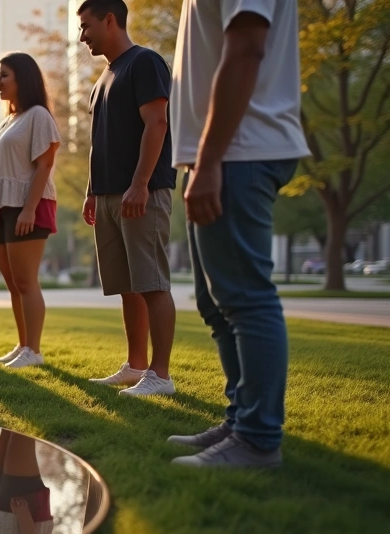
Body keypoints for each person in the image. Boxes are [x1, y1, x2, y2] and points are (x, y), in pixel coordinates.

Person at [166, 0, 310, 468]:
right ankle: (240, 419)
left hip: (237, 152)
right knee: (216, 304)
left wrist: (209, 163)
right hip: (217, 155)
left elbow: (247, 48)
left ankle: (257, 439)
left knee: (245, 298)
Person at [78, 0, 178, 396]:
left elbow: (157, 123)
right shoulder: (103, 77)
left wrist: (141, 183)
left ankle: (161, 374)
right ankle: (136, 365)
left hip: (142, 192)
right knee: (128, 285)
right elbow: (97, 142)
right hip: (107, 195)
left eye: (86, 26)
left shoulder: (145, 63)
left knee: (152, 282)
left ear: (110, 19)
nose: (82, 35)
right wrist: (91, 190)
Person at [0, 53, 61, 369]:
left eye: (4, 75)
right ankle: (23, 344)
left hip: (27, 205)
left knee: (26, 281)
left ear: (22, 78)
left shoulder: (38, 115)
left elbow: (45, 165)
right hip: (0, 206)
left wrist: (29, 209)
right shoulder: (8, 120)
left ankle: (33, 351)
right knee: (13, 284)